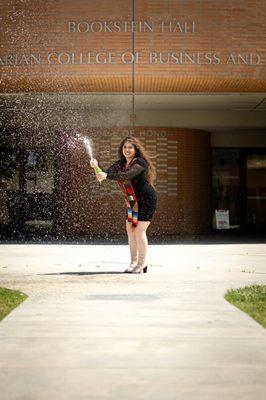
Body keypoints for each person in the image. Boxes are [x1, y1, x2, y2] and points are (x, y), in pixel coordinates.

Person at [90, 136, 157, 274]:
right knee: (131, 230)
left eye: (130, 147)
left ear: (135, 149)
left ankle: (141, 264)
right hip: (132, 201)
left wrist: (106, 175)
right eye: (125, 147)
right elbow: (105, 174)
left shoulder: (140, 162)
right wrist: (96, 166)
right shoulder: (120, 164)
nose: (127, 150)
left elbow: (126, 175)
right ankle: (133, 262)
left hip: (146, 200)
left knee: (139, 231)